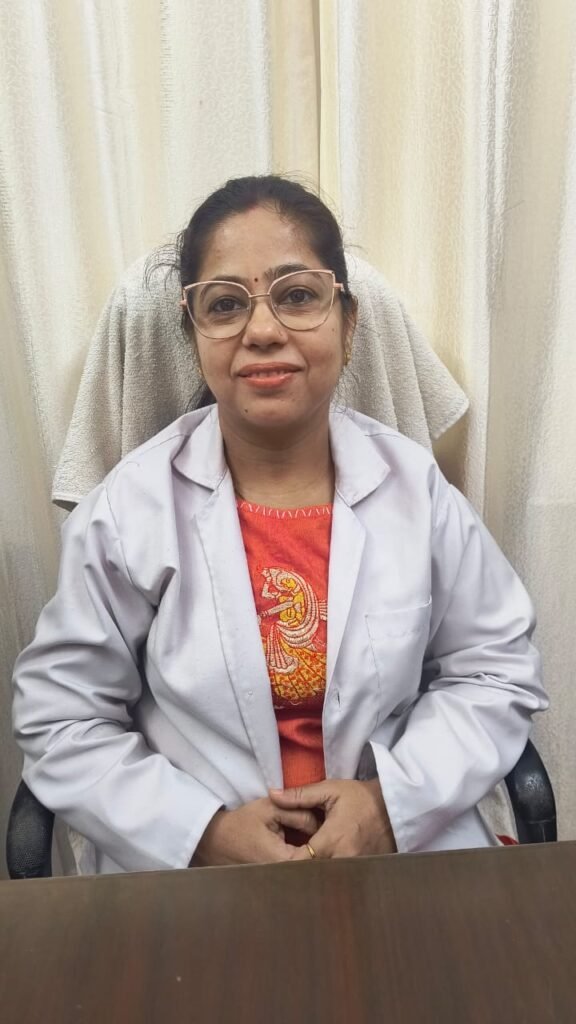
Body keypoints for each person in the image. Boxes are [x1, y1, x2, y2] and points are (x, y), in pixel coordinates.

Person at [12, 175, 547, 874]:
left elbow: (494, 671)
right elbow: (62, 718)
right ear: (194, 334)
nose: (262, 331)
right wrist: (201, 833)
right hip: (193, 878)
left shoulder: (414, 490)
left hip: (401, 857)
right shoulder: (130, 510)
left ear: (348, 325)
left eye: (297, 296)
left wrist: (391, 805)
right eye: (225, 304)